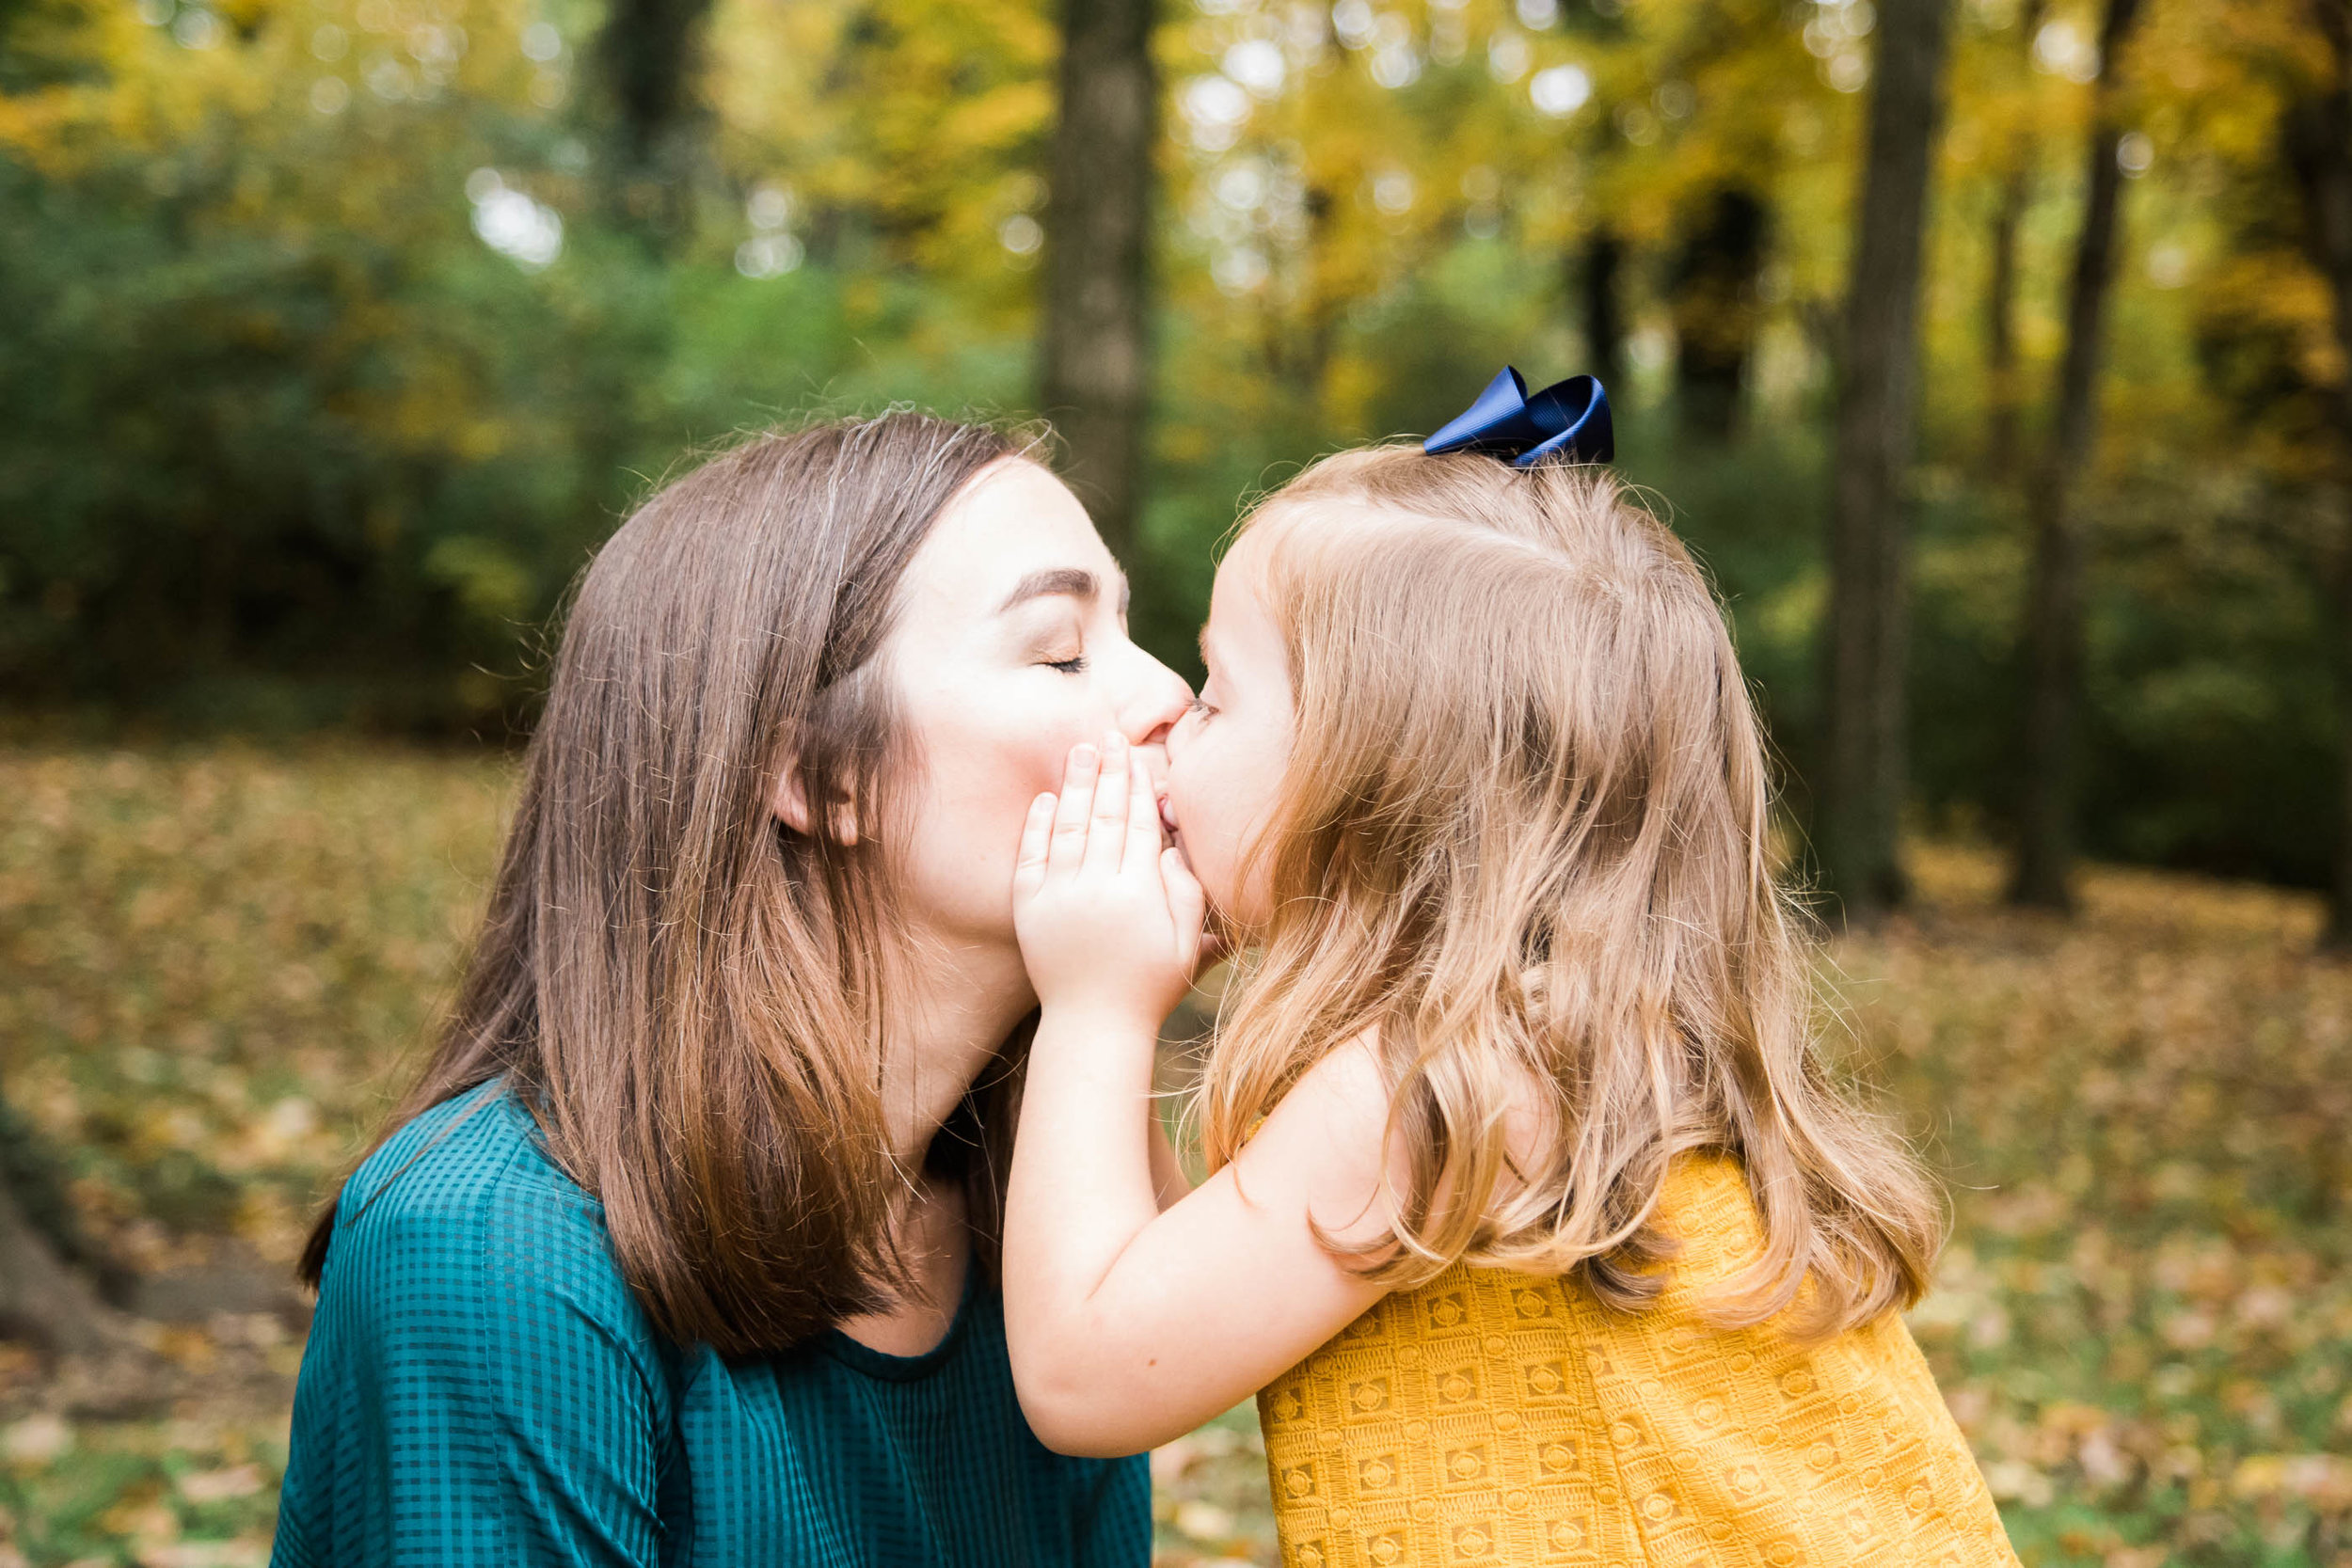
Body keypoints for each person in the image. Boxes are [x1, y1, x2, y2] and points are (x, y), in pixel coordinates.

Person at [1001, 420, 2023, 1565]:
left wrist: (1093, 1008)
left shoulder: (1443, 1084)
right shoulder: (1562, 1045)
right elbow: (1162, 1283)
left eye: (1216, 702)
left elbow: (1087, 1372)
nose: (1169, 726)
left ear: (1379, 790)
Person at [272, 412, 1194, 1567]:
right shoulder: (489, 1249)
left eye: (1135, 630)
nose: (1169, 689)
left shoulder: (1053, 1228)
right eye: (1062, 651)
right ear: (817, 773)